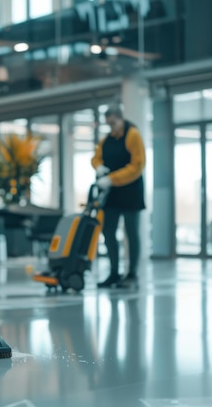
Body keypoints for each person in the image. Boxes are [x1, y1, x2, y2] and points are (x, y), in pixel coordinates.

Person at [91, 105, 145, 289]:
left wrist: (112, 179)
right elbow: (96, 157)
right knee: (108, 231)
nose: (111, 127)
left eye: (113, 123)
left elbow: (137, 166)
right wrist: (98, 167)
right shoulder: (107, 139)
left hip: (131, 191)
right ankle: (114, 273)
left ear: (121, 119)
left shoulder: (133, 135)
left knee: (131, 233)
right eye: (108, 124)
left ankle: (132, 275)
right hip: (111, 193)